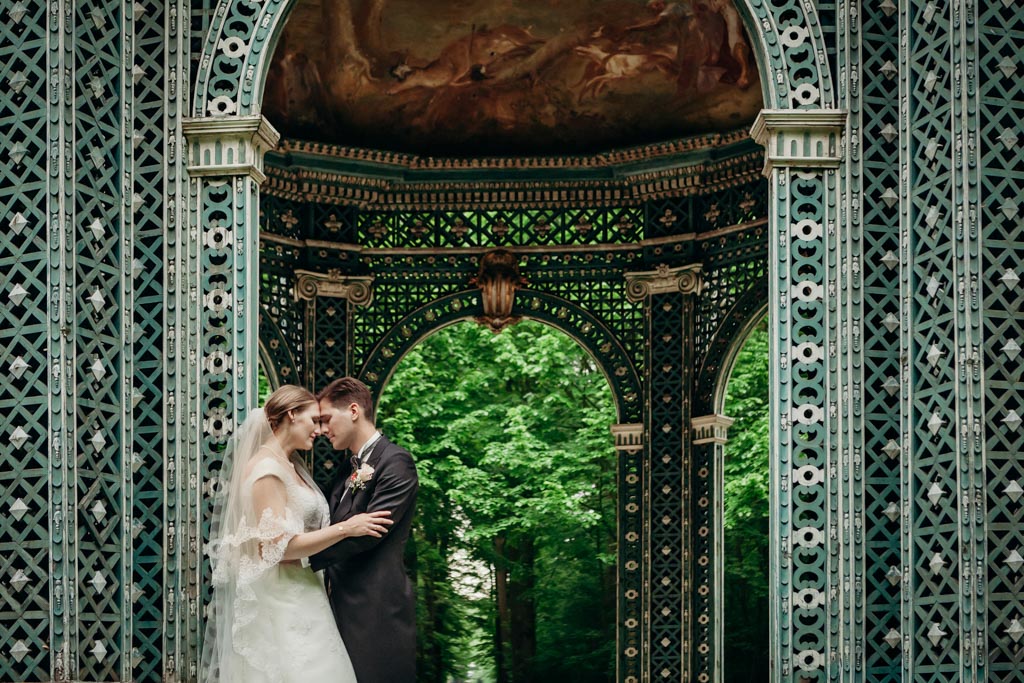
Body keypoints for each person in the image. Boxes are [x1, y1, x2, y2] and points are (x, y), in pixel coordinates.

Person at [201, 385, 393, 683]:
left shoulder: (291, 467)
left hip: (307, 593)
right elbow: (278, 549)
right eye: (314, 420)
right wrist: (346, 528)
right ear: (292, 415)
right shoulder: (266, 470)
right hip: (282, 602)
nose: (320, 430)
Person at [312, 377, 419, 683]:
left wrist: (301, 556)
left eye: (327, 419)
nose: (322, 430)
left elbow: (370, 533)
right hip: (337, 605)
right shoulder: (347, 469)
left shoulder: (396, 462)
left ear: (354, 411)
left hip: (376, 610)